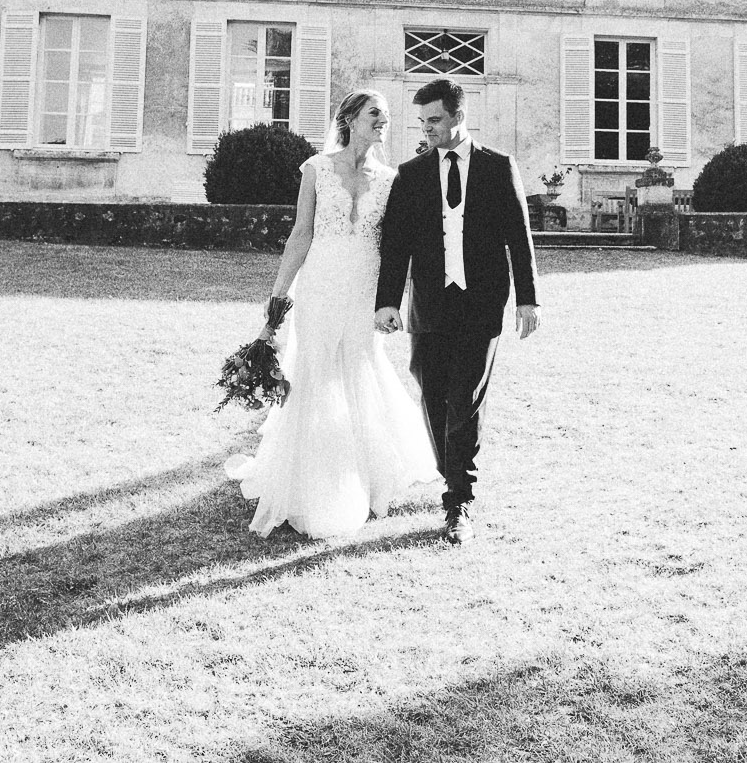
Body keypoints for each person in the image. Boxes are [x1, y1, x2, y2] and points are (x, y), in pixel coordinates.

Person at [227, 90, 440, 539]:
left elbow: (395, 247)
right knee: (318, 373)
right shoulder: (316, 169)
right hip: (321, 285)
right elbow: (301, 233)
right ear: (349, 119)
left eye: (385, 115)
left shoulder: (391, 178)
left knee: (361, 368)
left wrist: (391, 300)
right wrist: (278, 297)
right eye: (375, 113)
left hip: (365, 289)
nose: (384, 121)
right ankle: (312, 486)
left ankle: (369, 474)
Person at [375, 79, 542, 545]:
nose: (427, 130)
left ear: (458, 117)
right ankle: (452, 479)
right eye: (422, 122)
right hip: (429, 302)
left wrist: (528, 298)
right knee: (432, 395)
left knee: (463, 399)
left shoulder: (497, 167)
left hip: (481, 302)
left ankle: (458, 501)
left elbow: (518, 238)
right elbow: (396, 246)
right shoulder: (411, 175)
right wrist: (387, 300)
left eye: (435, 121)